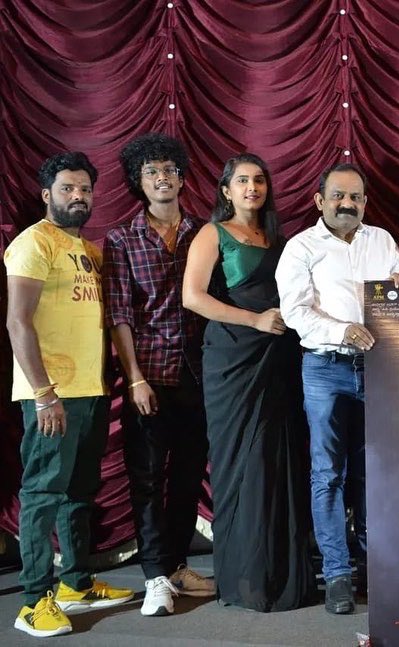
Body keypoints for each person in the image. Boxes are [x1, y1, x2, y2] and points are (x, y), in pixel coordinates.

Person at [5, 152, 133, 638]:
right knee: (43, 493)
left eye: (85, 189)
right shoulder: (33, 243)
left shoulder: (86, 249)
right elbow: (18, 322)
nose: (78, 196)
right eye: (67, 189)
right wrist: (43, 393)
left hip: (90, 390)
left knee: (78, 492)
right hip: (51, 394)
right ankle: (33, 601)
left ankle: (75, 584)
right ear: (46, 194)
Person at [182, 153, 314, 611]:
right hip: (233, 359)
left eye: (259, 180)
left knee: (280, 459)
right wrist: (254, 320)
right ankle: (246, 580)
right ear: (226, 190)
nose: (252, 188)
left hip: (280, 356)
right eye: (242, 181)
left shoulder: (280, 239)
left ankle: (284, 574)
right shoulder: (212, 233)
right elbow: (192, 297)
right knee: (242, 460)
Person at [276, 163, 399, 615]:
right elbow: (294, 312)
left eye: (354, 197)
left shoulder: (383, 241)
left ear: (365, 202)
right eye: (337, 196)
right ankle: (337, 574)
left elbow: (397, 295)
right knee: (327, 474)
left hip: (378, 369)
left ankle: (373, 571)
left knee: (373, 472)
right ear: (319, 200)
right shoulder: (301, 247)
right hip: (325, 368)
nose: (346, 204)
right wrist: (342, 331)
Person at [103, 133, 214, 617]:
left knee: (189, 475)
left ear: (182, 179)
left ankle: (176, 566)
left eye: (169, 170)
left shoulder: (203, 233)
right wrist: (134, 379)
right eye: (151, 171)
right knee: (147, 479)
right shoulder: (121, 239)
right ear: (139, 181)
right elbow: (119, 314)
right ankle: (154, 577)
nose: (162, 178)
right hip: (148, 375)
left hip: (198, 374)